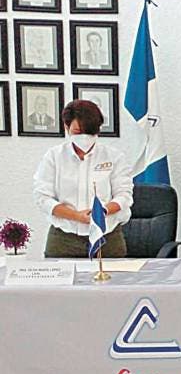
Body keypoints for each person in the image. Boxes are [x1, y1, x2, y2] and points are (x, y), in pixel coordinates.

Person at [32, 100, 133, 258]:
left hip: (107, 237)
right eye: (78, 132)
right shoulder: (54, 157)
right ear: (66, 127)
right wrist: (77, 216)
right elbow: (42, 197)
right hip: (64, 239)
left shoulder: (114, 157)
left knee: (113, 274)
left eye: (90, 132)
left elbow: (124, 195)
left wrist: (102, 212)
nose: (84, 138)